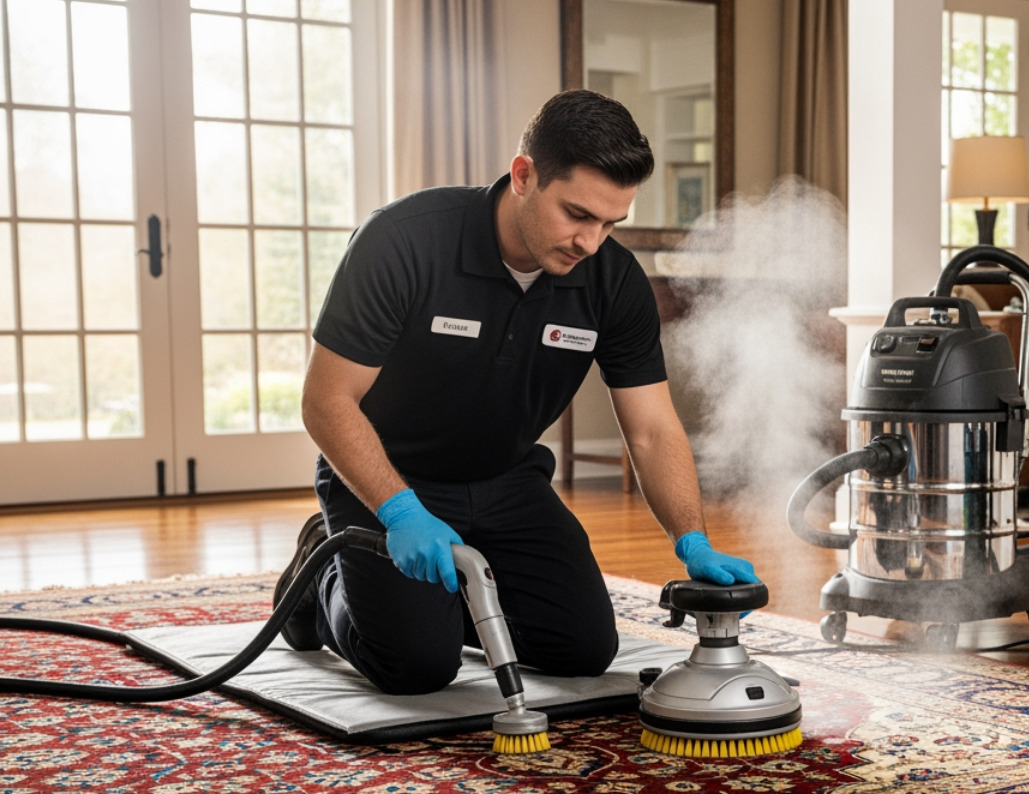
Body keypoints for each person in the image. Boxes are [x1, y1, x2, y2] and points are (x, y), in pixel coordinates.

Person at [275, 89, 757, 695]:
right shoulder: (403, 241)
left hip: (509, 482)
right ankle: (321, 572)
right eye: (578, 214)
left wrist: (691, 538)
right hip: (389, 482)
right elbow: (327, 400)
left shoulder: (613, 282)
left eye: (611, 223)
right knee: (417, 664)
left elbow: (651, 428)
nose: (591, 242)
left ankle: (451, 605)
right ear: (524, 175)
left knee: (580, 650)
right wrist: (399, 512)